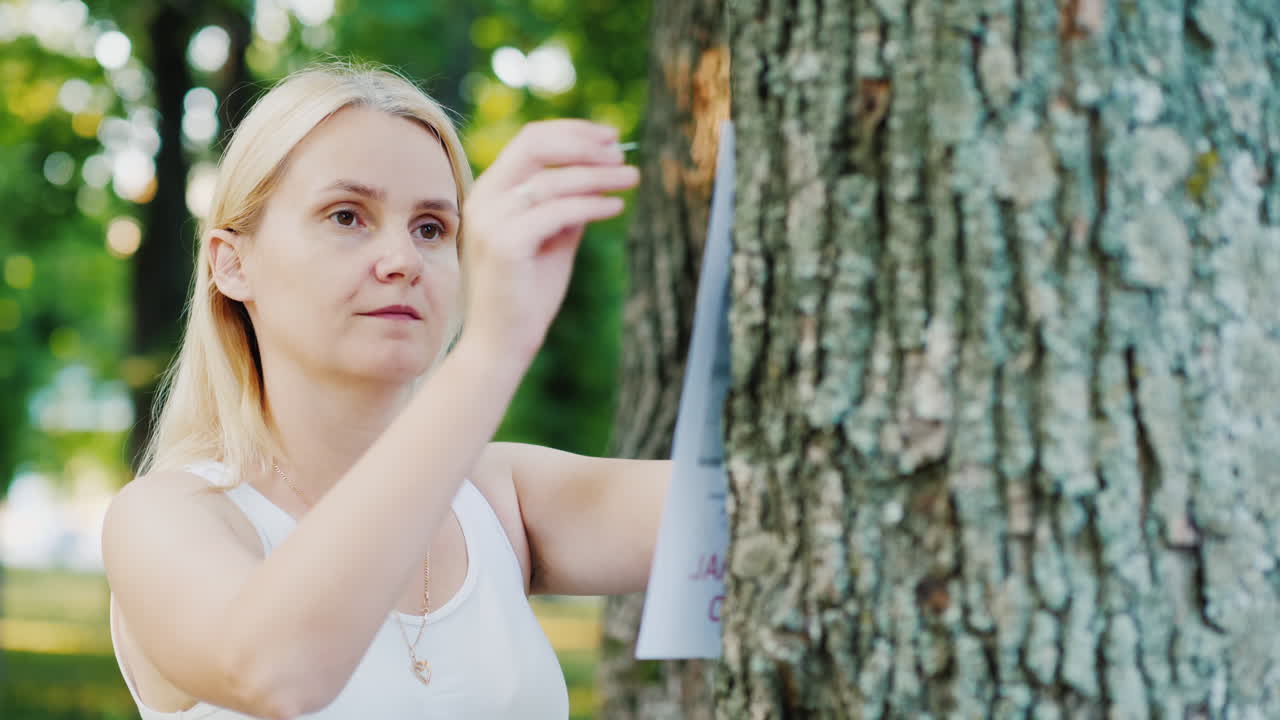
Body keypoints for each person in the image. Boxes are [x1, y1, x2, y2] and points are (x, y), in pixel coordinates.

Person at [102, 61, 669, 719]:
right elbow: (276, 674)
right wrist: (489, 352)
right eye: (347, 216)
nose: (403, 260)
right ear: (232, 263)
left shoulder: (500, 498)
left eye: (432, 227)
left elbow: (753, 509)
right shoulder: (168, 515)